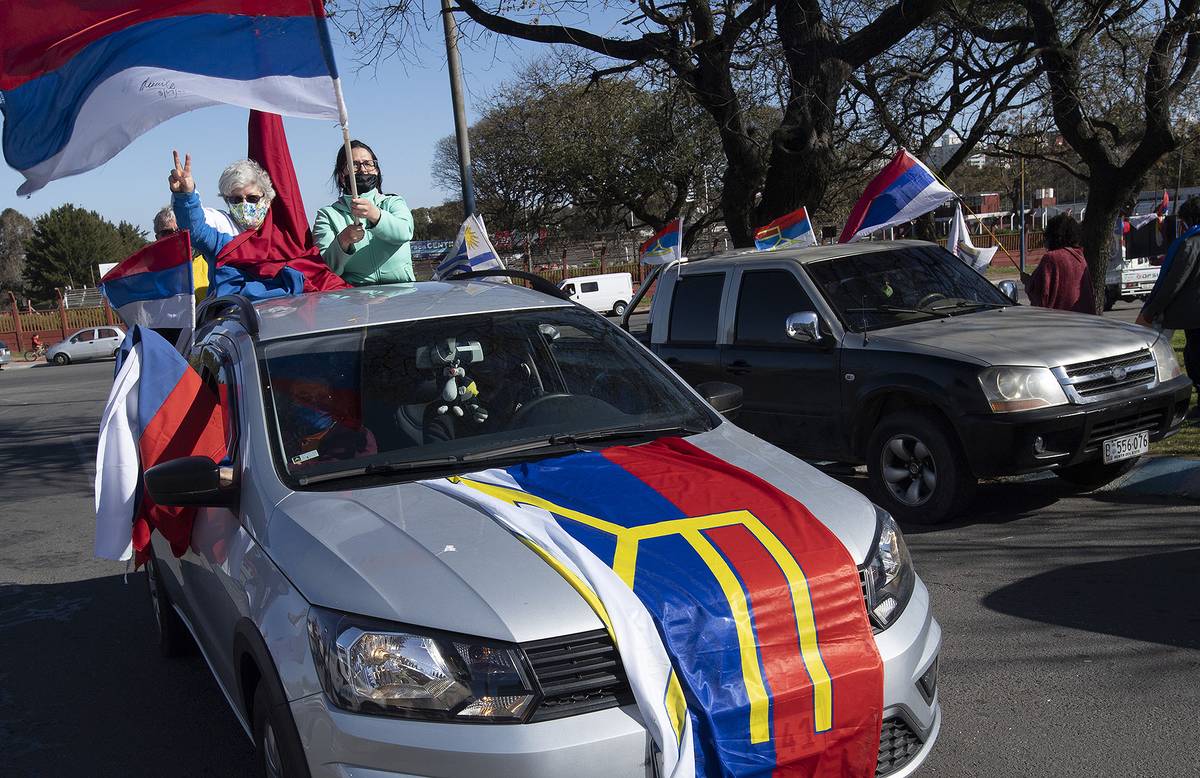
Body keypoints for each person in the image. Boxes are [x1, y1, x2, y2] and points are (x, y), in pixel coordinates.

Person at [313, 141, 414, 285]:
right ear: (342, 175)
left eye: (368, 163)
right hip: (354, 299)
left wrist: (375, 215)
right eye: (354, 165)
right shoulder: (327, 215)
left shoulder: (394, 202)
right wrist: (343, 241)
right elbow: (324, 268)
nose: (362, 170)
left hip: (403, 293)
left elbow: (405, 232)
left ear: (377, 170)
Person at [1136, 196, 1200, 416]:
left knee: (1195, 358)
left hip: (1195, 316)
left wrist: (1152, 310)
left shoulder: (1190, 243)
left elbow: (1174, 281)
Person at [169, 150, 274, 265]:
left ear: (267, 199)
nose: (245, 204)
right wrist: (186, 195)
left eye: (252, 198)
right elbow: (195, 229)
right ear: (227, 200)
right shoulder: (222, 226)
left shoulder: (283, 236)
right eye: (236, 200)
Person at [153, 205, 237, 304]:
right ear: (157, 237)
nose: (176, 236)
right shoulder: (149, 274)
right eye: (167, 233)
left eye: (181, 230)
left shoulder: (211, 263)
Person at [1021, 213, 1096, 314]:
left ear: (1053, 236)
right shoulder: (1079, 257)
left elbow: (1041, 297)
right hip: (1082, 320)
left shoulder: (1051, 258)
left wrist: (1028, 282)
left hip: (1058, 321)